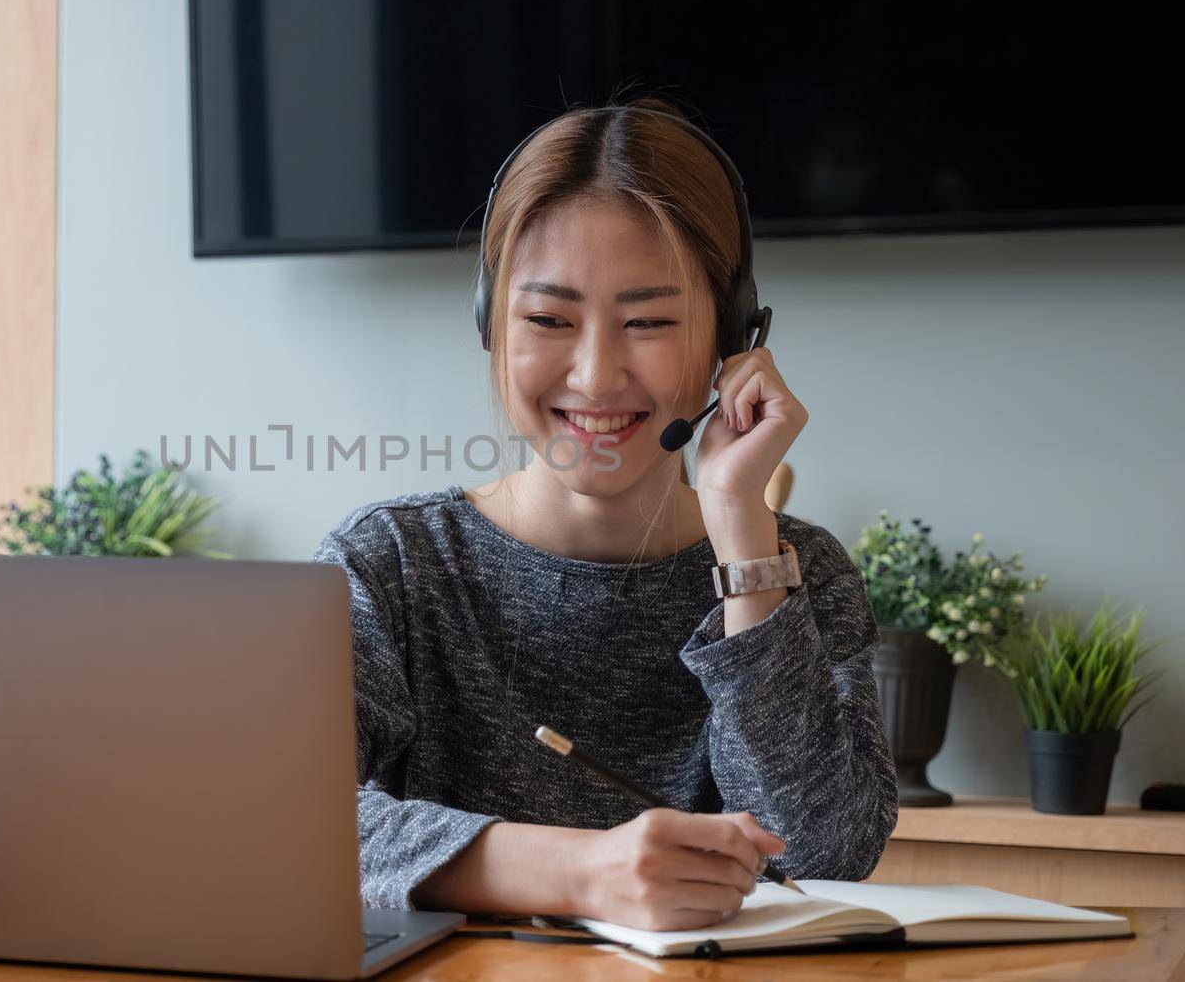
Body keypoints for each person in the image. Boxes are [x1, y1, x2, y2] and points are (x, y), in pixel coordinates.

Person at [311, 95, 898, 933]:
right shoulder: (389, 564)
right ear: (491, 324)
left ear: (733, 336)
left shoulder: (795, 569)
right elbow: (299, 819)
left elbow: (824, 853)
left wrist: (742, 534)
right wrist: (580, 871)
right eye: (549, 319)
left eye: (649, 321)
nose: (594, 375)